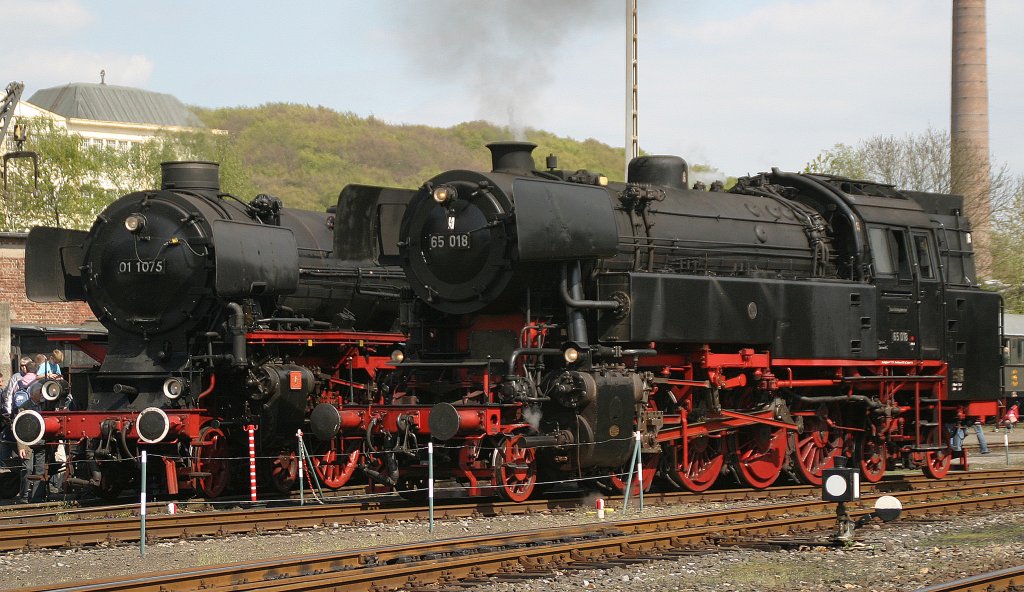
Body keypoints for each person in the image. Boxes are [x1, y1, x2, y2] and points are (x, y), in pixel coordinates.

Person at [15, 383, 47, 503]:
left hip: (42, 442)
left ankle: (36, 497)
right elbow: (18, 428)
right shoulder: (24, 407)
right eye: (40, 392)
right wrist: (21, 447)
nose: (42, 394)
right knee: (27, 469)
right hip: (27, 442)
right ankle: (23, 496)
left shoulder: (45, 405)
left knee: (40, 470)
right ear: (33, 394)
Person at [0, 357, 35, 463]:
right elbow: (8, 395)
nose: (23, 368)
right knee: (8, 440)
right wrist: (9, 413)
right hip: (17, 413)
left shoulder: (36, 377)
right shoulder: (16, 377)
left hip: (32, 414)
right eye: (21, 365)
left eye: (25, 365)